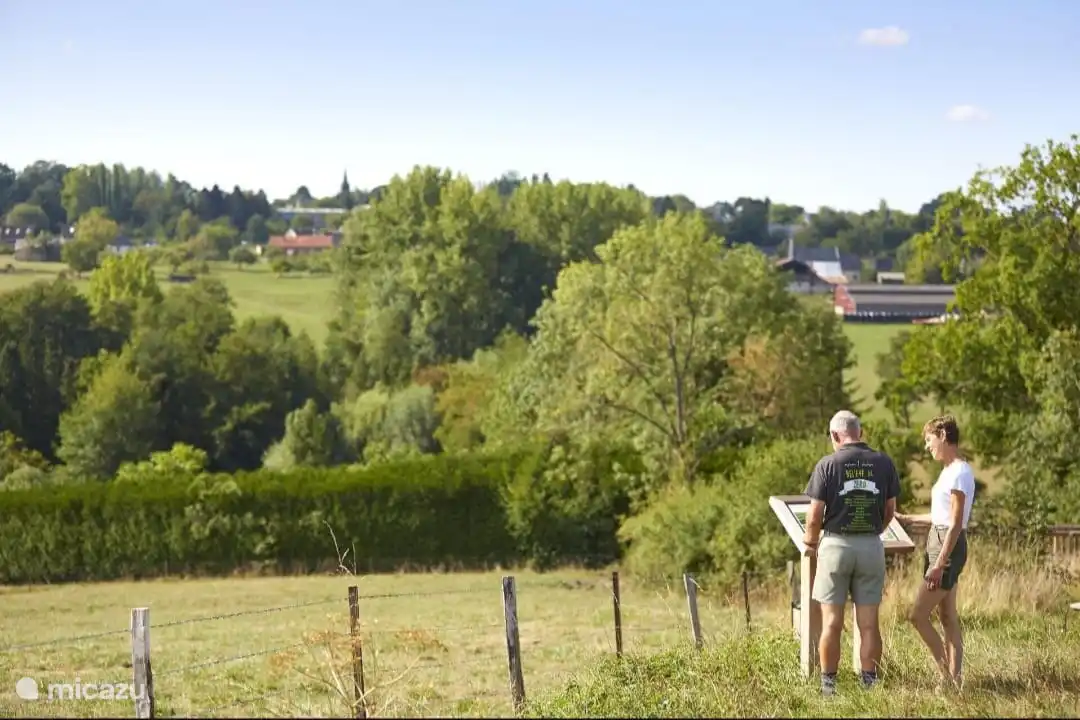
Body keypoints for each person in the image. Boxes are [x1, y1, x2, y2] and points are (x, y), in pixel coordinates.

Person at [802, 410, 901, 696]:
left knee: (832, 622)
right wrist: (874, 532)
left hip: (836, 547)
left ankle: (829, 687)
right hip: (871, 546)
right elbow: (890, 510)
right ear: (860, 432)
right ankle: (869, 684)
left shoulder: (828, 464)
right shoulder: (884, 462)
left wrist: (810, 544)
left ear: (835, 435)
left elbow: (814, 516)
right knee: (869, 624)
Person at [895, 414, 975, 690]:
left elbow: (955, 523)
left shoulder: (960, 472)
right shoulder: (948, 471)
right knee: (947, 616)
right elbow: (940, 516)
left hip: (947, 547)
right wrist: (907, 519)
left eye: (929, 440)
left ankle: (946, 677)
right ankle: (956, 679)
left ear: (943, 436)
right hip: (940, 540)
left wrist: (939, 564)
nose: (927, 446)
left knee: (917, 615)